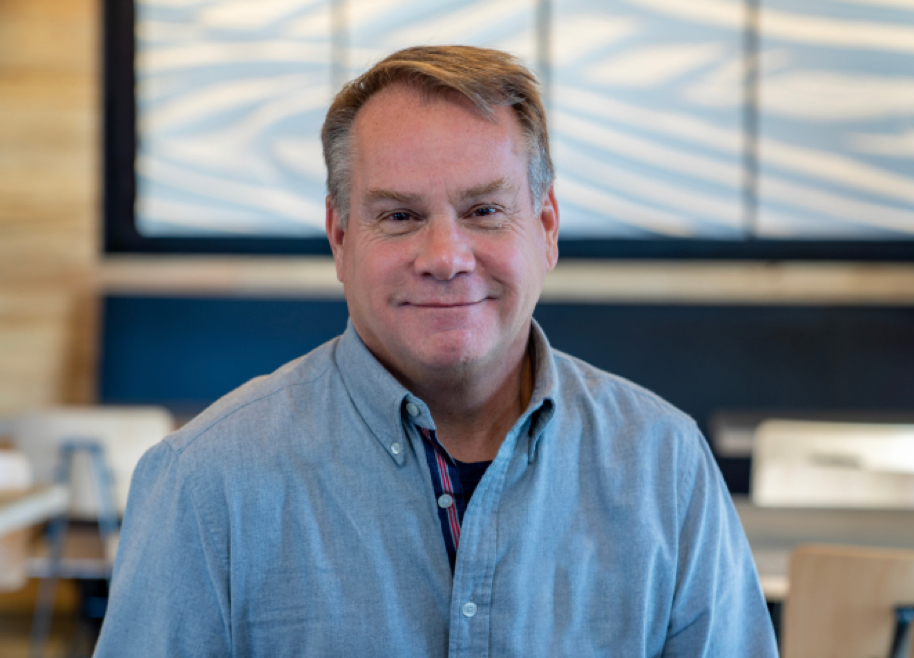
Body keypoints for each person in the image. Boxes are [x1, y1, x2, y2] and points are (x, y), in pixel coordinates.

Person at [95, 45, 778, 657]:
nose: (446, 258)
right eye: (399, 216)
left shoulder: (666, 465)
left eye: (484, 211)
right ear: (341, 238)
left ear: (546, 228)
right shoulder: (203, 484)